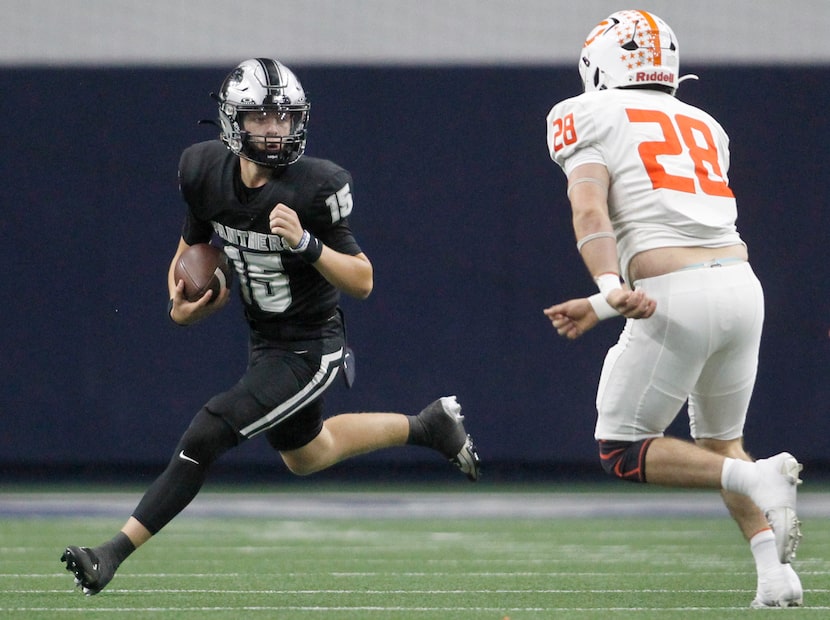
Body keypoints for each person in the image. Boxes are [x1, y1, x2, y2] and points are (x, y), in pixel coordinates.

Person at [61, 58, 480, 595]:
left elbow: (363, 279)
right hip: (266, 341)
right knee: (308, 454)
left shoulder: (313, 187)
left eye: (284, 118)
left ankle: (110, 553)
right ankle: (429, 427)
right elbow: (192, 250)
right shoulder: (203, 172)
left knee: (207, 432)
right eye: (262, 117)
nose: (276, 130)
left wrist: (307, 244)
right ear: (235, 120)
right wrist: (178, 302)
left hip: (312, 346)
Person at [541, 11, 803, 608]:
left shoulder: (581, 114)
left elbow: (591, 212)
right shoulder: (707, 124)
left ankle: (756, 478)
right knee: (720, 441)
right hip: (742, 287)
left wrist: (607, 290)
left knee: (621, 446)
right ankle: (775, 573)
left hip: (675, 293)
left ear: (597, 65)